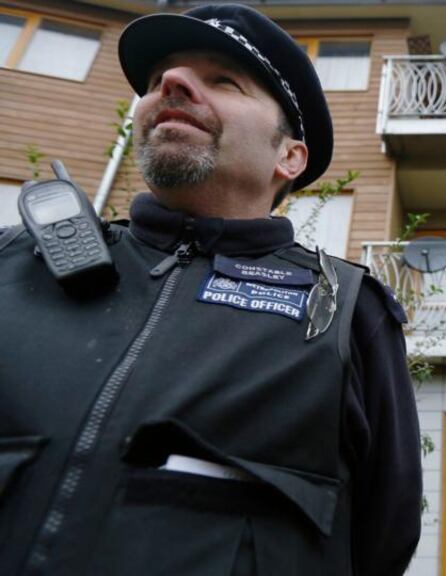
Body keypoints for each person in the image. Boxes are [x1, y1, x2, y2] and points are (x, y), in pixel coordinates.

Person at [0, 4, 421, 575]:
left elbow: (382, 543)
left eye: (223, 81)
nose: (171, 84)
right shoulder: (14, 263)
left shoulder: (349, 312)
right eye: (158, 80)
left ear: (288, 156)